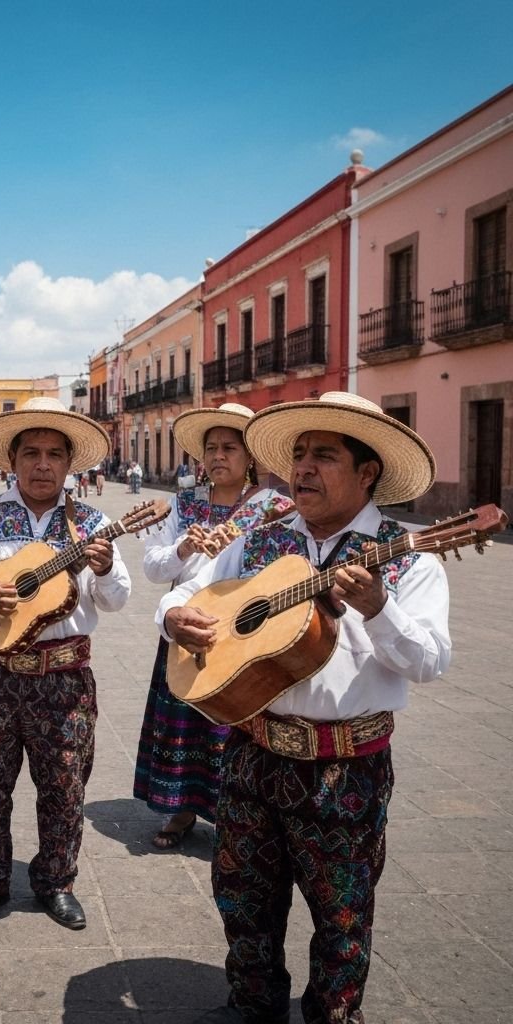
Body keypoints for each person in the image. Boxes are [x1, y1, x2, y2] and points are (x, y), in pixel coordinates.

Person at [160, 393, 451, 1024]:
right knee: (242, 903)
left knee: (342, 923)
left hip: (343, 772)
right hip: (252, 753)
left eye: (324, 454)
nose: (304, 468)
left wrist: (380, 608)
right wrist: (174, 618)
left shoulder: (407, 555)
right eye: (298, 454)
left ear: (368, 472)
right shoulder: (260, 539)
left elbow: (430, 660)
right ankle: (252, 1005)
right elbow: (188, 592)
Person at [0, 397, 131, 931]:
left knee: (65, 790)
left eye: (55, 455)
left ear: (70, 464)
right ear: (12, 462)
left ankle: (56, 883)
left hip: (64, 681)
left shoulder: (93, 523)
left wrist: (107, 570)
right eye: (32, 454)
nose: (43, 464)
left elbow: (117, 600)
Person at [134, 404, 294, 849]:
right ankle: (180, 808)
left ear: (250, 458)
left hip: (246, 628)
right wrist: (183, 548)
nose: (218, 456)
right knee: (181, 721)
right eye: (211, 448)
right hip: (184, 624)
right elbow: (152, 566)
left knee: (233, 725)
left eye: (229, 447)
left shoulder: (273, 508)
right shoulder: (182, 506)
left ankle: (235, 813)